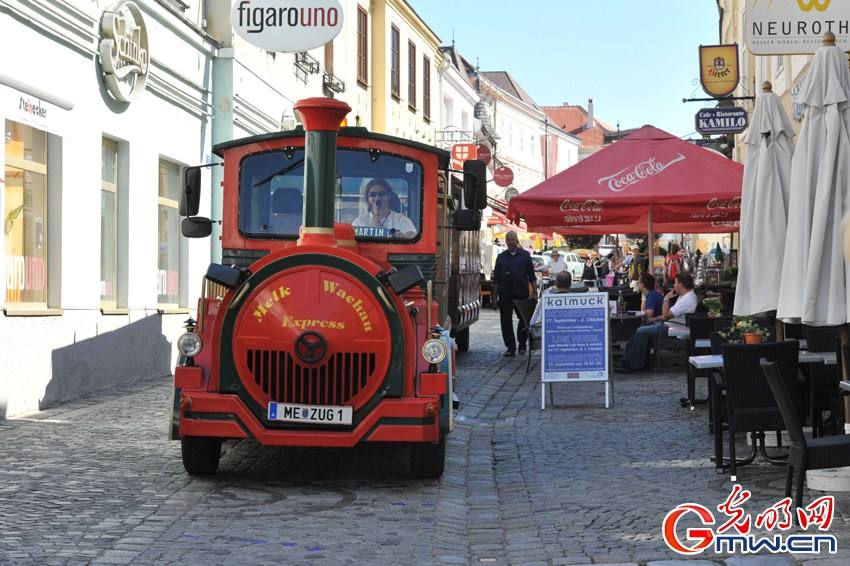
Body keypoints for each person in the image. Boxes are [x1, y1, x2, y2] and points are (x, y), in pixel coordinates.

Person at [617, 272, 698, 371]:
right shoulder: (685, 296)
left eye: (675, 283)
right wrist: (655, 319)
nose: (674, 285)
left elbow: (665, 316)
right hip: (672, 325)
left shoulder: (687, 299)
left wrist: (666, 298)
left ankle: (636, 364)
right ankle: (630, 360)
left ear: (681, 285)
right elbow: (667, 315)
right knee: (639, 329)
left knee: (641, 331)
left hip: (674, 329)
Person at [493, 230, 536, 357]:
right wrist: (494, 298)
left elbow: (531, 276)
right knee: (505, 321)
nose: (511, 242)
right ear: (506, 241)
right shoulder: (501, 257)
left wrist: (535, 292)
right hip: (505, 293)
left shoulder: (525, 256)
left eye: (513, 239)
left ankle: (522, 343)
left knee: (523, 319)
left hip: (521, 292)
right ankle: (510, 347)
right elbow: (496, 279)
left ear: (517, 241)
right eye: (508, 240)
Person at [352, 178, 416, 238]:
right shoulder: (360, 222)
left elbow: (412, 236)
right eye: (372, 195)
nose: (377, 198)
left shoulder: (402, 220)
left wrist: (400, 235)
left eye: (381, 194)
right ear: (368, 198)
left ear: (389, 196)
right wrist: (372, 229)